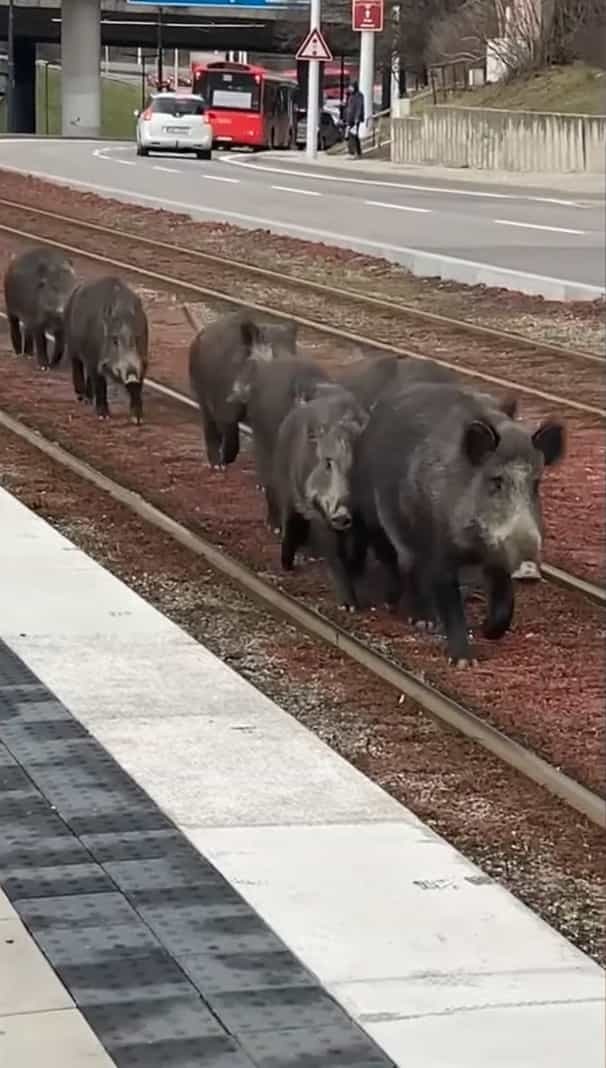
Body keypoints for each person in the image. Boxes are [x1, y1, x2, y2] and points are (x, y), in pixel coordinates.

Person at [344, 82, 364, 159]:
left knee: (352, 135)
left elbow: (359, 107)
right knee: (353, 136)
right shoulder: (350, 95)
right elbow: (348, 107)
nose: (350, 88)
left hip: (354, 119)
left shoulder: (358, 96)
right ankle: (357, 152)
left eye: (351, 87)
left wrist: (357, 118)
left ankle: (353, 153)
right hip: (350, 118)